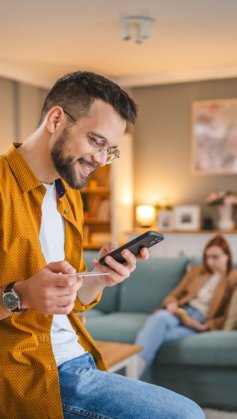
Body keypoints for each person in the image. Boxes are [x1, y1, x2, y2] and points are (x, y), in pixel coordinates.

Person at [0, 71, 204, 419]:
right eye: (96, 141)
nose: (100, 159)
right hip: (33, 375)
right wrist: (19, 296)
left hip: (79, 357)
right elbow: (29, 298)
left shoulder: (67, 195)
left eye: (111, 150)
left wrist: (100, 278)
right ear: (55, 119)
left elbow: (67, 298)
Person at [135, 235, 237, 378]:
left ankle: (134, 375)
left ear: (227, 256)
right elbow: (174, 295)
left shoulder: (233, 279)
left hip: (198, 321)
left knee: (160, 336)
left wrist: (203, 327)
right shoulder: (196, 271)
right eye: (207, 257)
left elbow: (226, 316)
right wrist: (172, 304)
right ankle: (133, 376)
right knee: (159, 318)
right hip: (180, 312)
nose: (210, 262)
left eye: (215, 257)